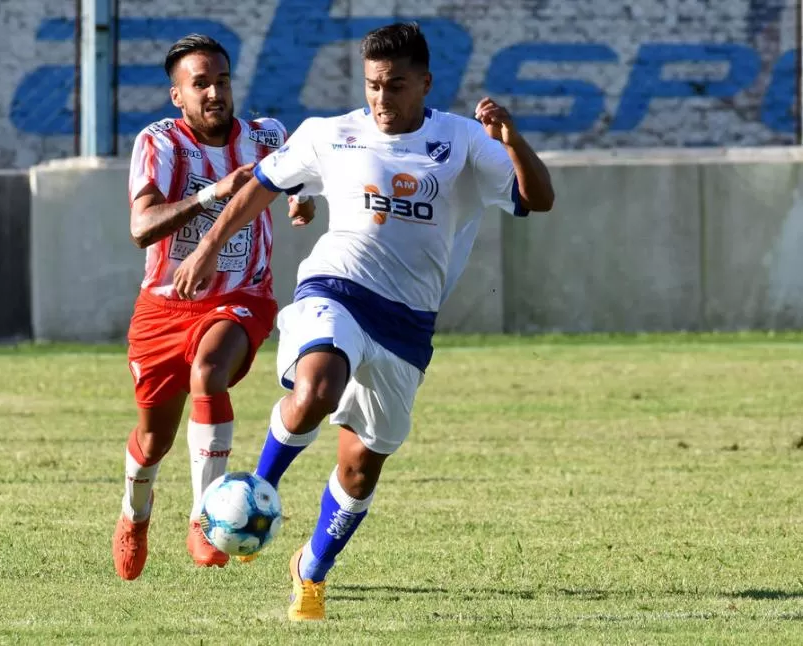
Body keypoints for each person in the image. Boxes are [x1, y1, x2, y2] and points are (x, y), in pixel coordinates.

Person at [173, 22, 554, 618]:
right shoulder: (330, 134)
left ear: (424, 84)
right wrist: (204, 247)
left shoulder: (462, 140)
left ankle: (312, 568)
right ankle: (251, 490)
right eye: (373, 84)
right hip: (336, 288)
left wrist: (511, 141)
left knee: (359, 464)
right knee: (317, 387)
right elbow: (262, 186)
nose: (381, 98)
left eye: (396, 85)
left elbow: (538, 198)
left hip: (408, 322)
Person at [113, 33, 315, 579]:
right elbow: (141, 229)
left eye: (221, 81)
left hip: (242, 296)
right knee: (153, 441)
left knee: (209, 373)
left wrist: (301, 199)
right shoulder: (159, 142)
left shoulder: (268, 135)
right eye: (199, 83)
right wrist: (213, 193)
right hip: (163, 307)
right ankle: (134, 515)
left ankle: (205, 519)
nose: (214, 93)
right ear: (177, 95)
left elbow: (303, 176)